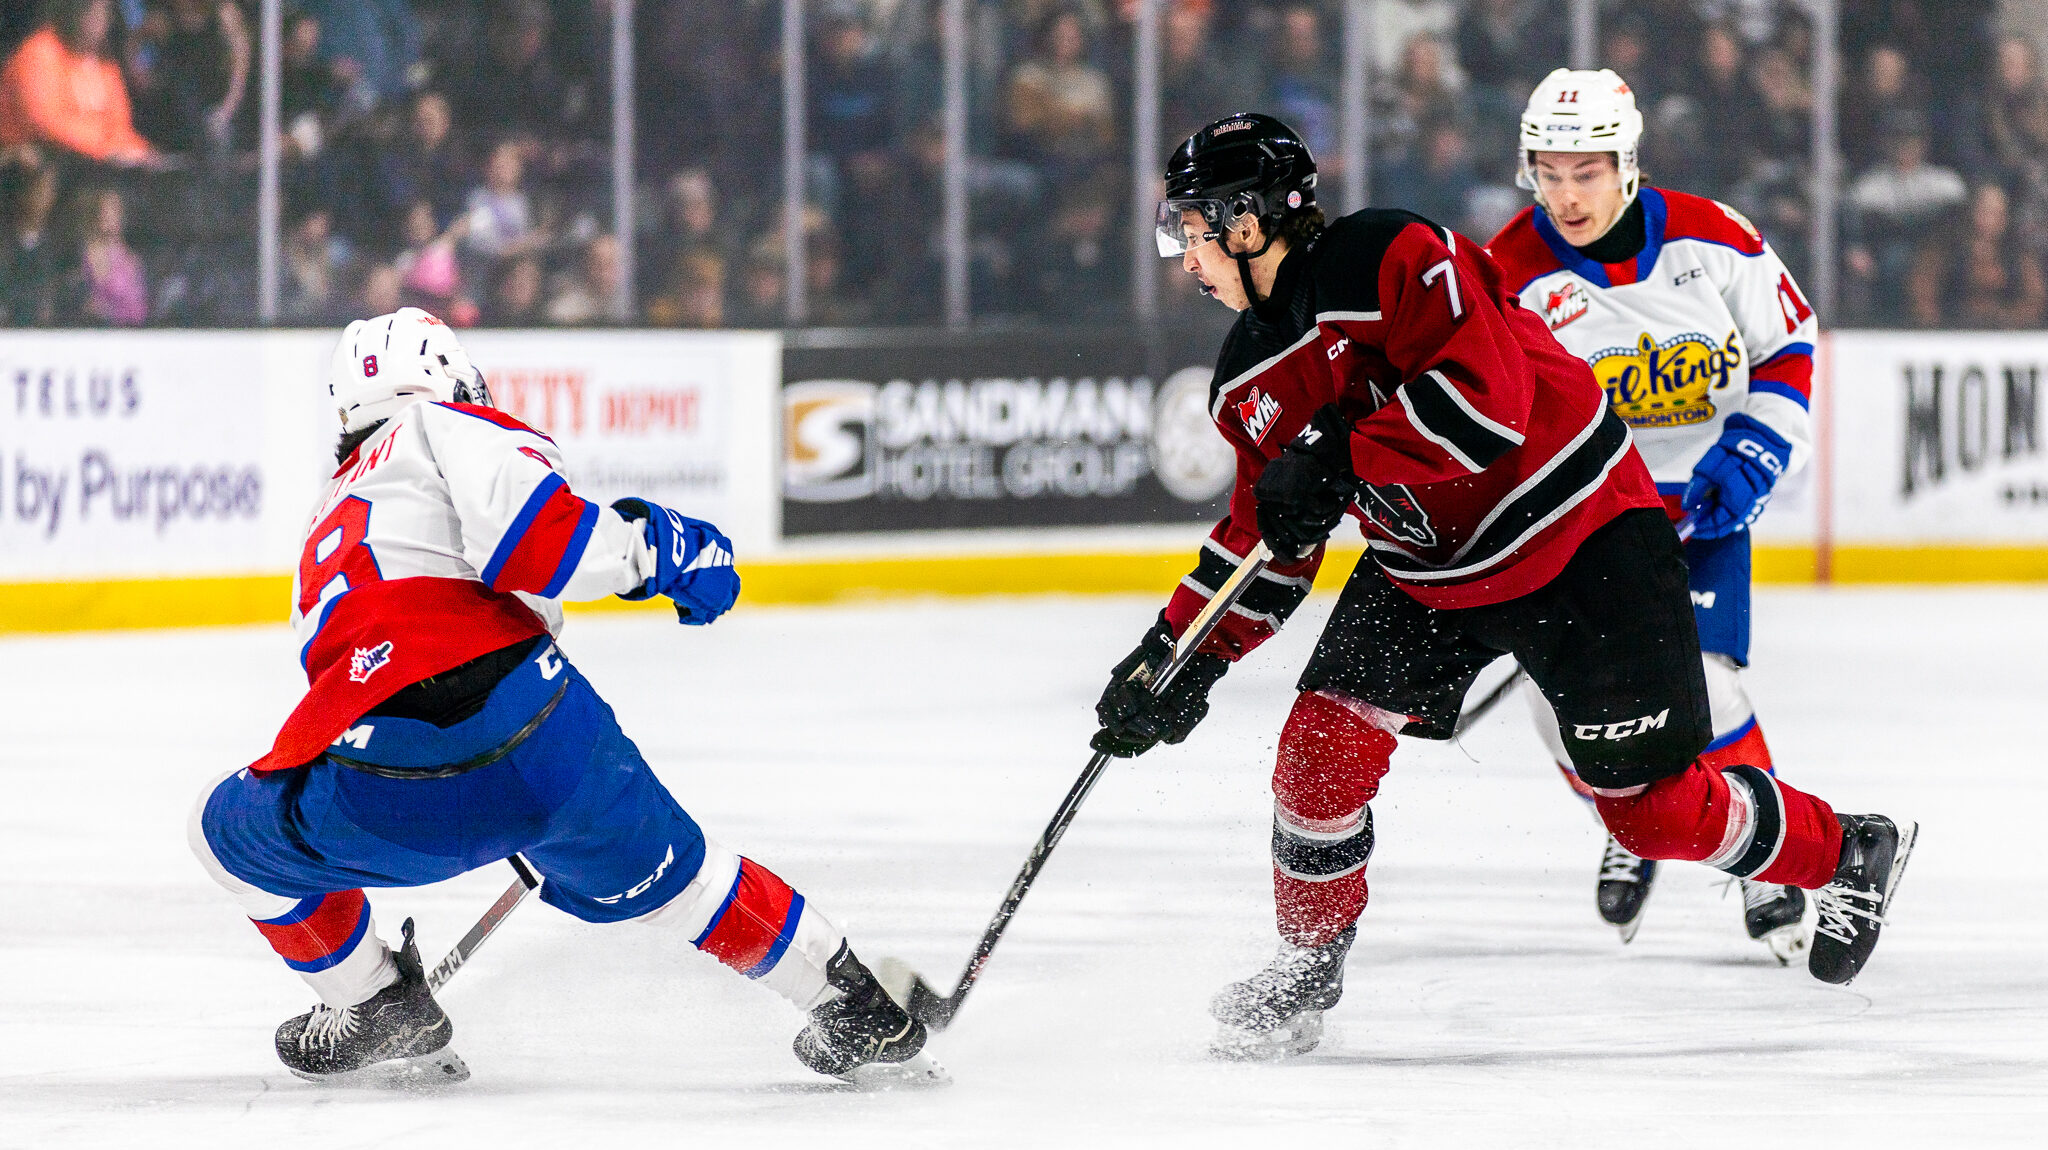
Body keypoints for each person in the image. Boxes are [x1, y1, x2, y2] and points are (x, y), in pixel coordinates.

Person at [1098, 112, 1915, 1059]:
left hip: (1585, 536)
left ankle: (1843, 848)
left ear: (1246, 223)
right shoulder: (1244, 381)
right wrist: (1175, 657)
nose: (1185, 255)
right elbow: (1264, 546)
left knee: (1647, 812)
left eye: (1192, 229)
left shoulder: (1393, 255)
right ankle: (1308, 965)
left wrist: (1339, 455)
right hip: (1427, 572)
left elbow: (1488, 405)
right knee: (1318, 754)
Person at [188, 309, 940, 1088]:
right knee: (690, 886)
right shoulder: (449, 424)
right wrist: (663, 549)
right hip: (543, 739)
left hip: (384, 784)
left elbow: (361, 670)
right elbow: (540, 544)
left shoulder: (325, 521)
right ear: (452, 379)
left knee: (223, 831)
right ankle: (854, 1009)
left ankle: (374, 1000)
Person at [1483, 69, 1826, 959]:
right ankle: (1634, 817)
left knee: (1706, 688)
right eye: (1548, 174)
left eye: (1586, 173)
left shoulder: (1714, 238)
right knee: (1560, 716)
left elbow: (1787, 342)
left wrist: (1755, 447)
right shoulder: (1507, 274)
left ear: (1627, 164)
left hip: (1702, 507)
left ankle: (1768, 860)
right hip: (1580, 524)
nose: (1566, 196)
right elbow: (1486, 412)